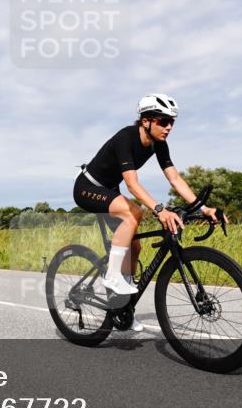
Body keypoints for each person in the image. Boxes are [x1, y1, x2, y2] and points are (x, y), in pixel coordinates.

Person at [73, 94, 225, 331]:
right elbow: (132, 185)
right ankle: (112, 276)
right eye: (163, 121)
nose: (169, 127)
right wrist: (160, 209)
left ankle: (123, 306)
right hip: (87, 188)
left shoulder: (159, 144)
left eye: (172, 122)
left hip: (109, 190)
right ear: (146, 121)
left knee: (135, 245)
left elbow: (174, 178)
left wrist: (203, 208)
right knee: (134, 213)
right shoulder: (126, 138)